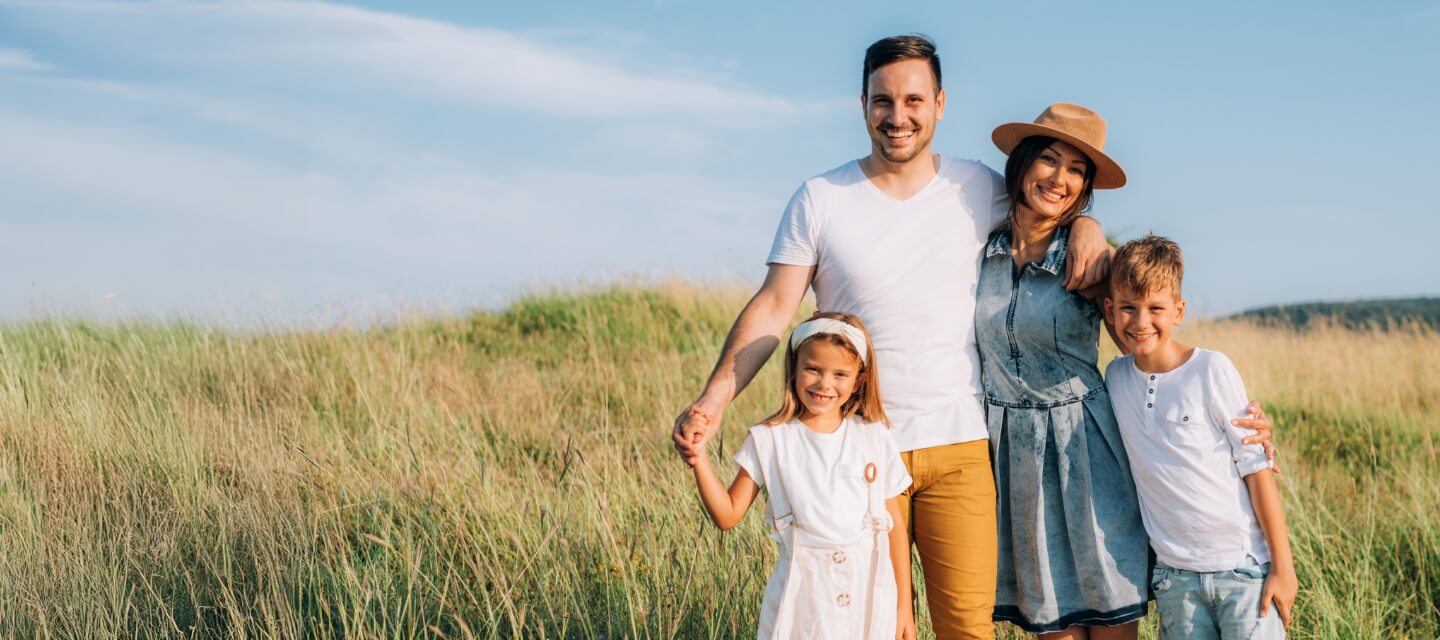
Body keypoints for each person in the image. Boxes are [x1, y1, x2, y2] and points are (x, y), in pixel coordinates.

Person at [673, 35, 1119, 639]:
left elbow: (1048, 208)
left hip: (959, 446)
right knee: (865, 623)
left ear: (939, 103)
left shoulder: (976, 187)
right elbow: (775, 306)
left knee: (967, 627)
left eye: (913, 99)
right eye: (883, 100)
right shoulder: (820, 199)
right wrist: (714, 399)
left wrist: (1089, 224)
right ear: (863, 104)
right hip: (854, 450)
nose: (898, 116)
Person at [976, 103, 1152, 638]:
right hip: (1012, 457)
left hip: (1086, 450)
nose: (1059, 178)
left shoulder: (1093, 261)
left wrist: (1222, 411)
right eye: (1049, 160)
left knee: (1111, 607)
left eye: (1077, 170)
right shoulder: (978, 250)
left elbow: (1148, 342)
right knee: (1049, 623)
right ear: (1023, 163)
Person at [1103, 236, 1297, 639]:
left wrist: (1283, 566)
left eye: (1155, 308)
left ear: (1179, 311)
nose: (1141, 322)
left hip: (1242, 570)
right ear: (1111, 310)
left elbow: (1257, 471)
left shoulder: (1211, 369)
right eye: (1128, 308)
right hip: (1176, 581)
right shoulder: (1116, 379)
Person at [687, 312, 917, 639]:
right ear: (794, 367)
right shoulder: (770, 439)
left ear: (858, 381)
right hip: (803, 600)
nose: (825, 384)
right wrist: (699, 459)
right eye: (813, 369)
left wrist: (903, 608)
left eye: (840, 374)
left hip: (870, 597)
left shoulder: (873, 436)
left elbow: (894, 530)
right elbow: (727, 514)